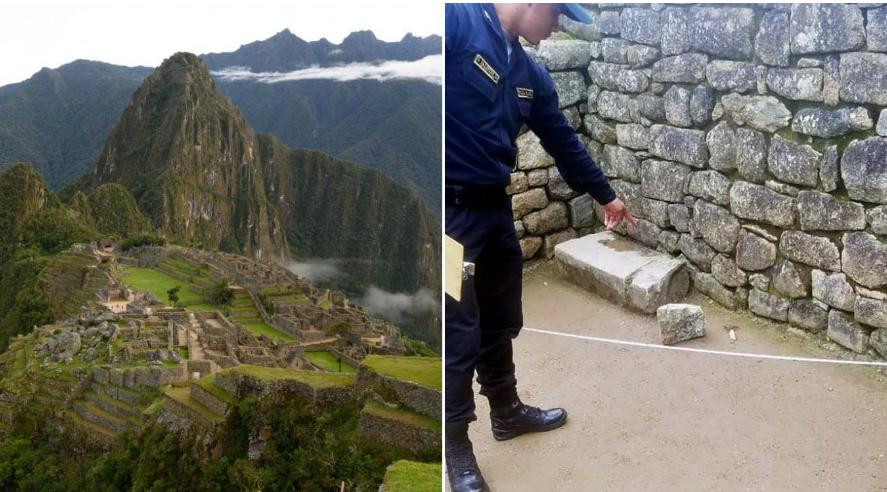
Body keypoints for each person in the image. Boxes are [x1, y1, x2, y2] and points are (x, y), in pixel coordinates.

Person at [445, 4, 637, 491]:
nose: (556, 26)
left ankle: (506, 411)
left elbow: (562, 140)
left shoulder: (529, 72)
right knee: (455, 329)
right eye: (555, 13)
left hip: (492, 210)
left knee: (499, 314)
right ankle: (454, 448)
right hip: (445, 215)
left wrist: (605, 194)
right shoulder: (456, 21)